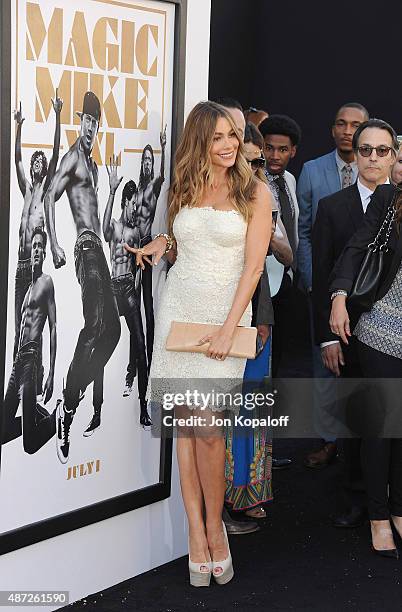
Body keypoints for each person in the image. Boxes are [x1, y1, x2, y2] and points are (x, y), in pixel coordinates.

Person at [125, 101, 272, 586]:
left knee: (209, 431)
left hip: (224, 319)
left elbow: (253, 269)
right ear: (200, 143)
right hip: (179, 311)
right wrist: (160, 244)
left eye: (233, 135)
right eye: (218, 138)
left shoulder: (255, 192)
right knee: (187, 434)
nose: (229, 145)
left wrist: (231, 328)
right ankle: (196, 535)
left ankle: (216, 528)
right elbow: (182, 239)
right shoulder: (184, 186)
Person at [312, 118, 397, 528]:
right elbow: (325, 271)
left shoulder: (396, 200)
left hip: (388, 335)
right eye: (366, 150)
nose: (374, 158)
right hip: (346, 330)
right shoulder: (333, 206)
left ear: (394, 155)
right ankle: (355, 499)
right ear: (354, 154)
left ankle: (386, 504)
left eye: (383, 150)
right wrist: (327, 338)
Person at [44, 91, 121, 463]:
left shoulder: (91, 164)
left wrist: (112, 189)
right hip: (84, 250)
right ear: (80, 122)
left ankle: (69, 399)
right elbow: (48, 196)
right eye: (87, 120)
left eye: (96, 121)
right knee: (95, 324)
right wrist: (54, 245)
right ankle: (70, 403)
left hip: (100, 252)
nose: (91, 126)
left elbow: (102, 226)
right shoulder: (74, 158)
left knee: (114, 332)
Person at [329, 173, 401, 558]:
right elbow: (356, 248)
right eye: (400, 159)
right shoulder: (388, 198)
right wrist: (339, 295)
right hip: (382, 328)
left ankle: (400, 509)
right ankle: (377, 516)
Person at [297, 102, 369, 468]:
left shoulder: (380, 170)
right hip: (324, 284)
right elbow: (304, 232)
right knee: (324, 365)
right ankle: (329, 440)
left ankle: (362, 449)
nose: (347, 130)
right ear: (332, 129)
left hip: (372, 293)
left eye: (355, 124)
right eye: (340, 123)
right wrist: (313, 280)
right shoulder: (311, 171)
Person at [217, 99, 276, 531]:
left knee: (248, 412)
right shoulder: (211, 191)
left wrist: (263, 316)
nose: (254, 168)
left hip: (254, 313)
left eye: (258, 163)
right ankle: (219, 504)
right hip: (209, 312)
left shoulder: (259, 194)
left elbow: (263, 271)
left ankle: (244, 497)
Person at [13, 94, 62, 392]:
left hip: (35, 264)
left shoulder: (43, 193)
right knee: (19, 324)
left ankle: (40, 370)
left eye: (41, 162)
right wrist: (18, 127)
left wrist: (57, 116)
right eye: (36, 160)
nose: (38, 163)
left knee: (37, 323)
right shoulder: (26, 189)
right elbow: (17, 159)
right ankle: (18, 378)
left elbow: (56, 153)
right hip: (20, 265)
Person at [102, 161, 152, 427]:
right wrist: (111, 191)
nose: (136, 208)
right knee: (101, 339)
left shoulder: (135, 232)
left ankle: (143, 406)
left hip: (128, 289)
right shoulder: (115, 227)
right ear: (125, 202)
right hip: (112, 288)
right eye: (132, 203)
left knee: (141, 345)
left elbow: (141, 260)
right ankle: (96, 407)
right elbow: (103, 228)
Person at [2, 228, 57, 454]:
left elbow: (53, 327)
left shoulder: (46, 282)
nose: (36, 250)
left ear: (44, 254)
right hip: (17, 363)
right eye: (34, 246)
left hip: (30, 362)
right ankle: (34, 415)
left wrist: (51, 372)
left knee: (30, 444)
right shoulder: (26, 290)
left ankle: (57, 419)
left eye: (40, 248)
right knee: (2, 432)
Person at [259, 114, 301, 378]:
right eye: (269, 147)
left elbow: (294, 227)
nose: (275, 155)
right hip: (260, 282)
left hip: (286, 280)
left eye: (282, 149)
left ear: (292, 151)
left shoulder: (291, 181)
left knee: (282, 358)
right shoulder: (252, 182)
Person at [136, 128, 167, 369]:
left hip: (150, 251)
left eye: (150, 160)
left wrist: (163, 147)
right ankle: (134, 366)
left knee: (148, 309)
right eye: (144, 160)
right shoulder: (136, 190)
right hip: (134, 251)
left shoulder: (155, 186)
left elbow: (163, 176)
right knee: (135, 308)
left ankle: (150, 361)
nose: (147, 163)